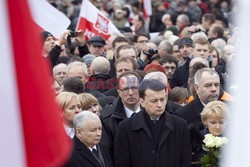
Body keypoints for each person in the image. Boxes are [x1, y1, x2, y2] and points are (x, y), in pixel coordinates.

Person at [114, 79, 192, 167]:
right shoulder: (126, 128)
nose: (160, 105)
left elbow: (185, 161)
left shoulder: (180, 125)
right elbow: (122, 163)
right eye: (154, 101)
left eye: (162, 99)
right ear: (142, 102)